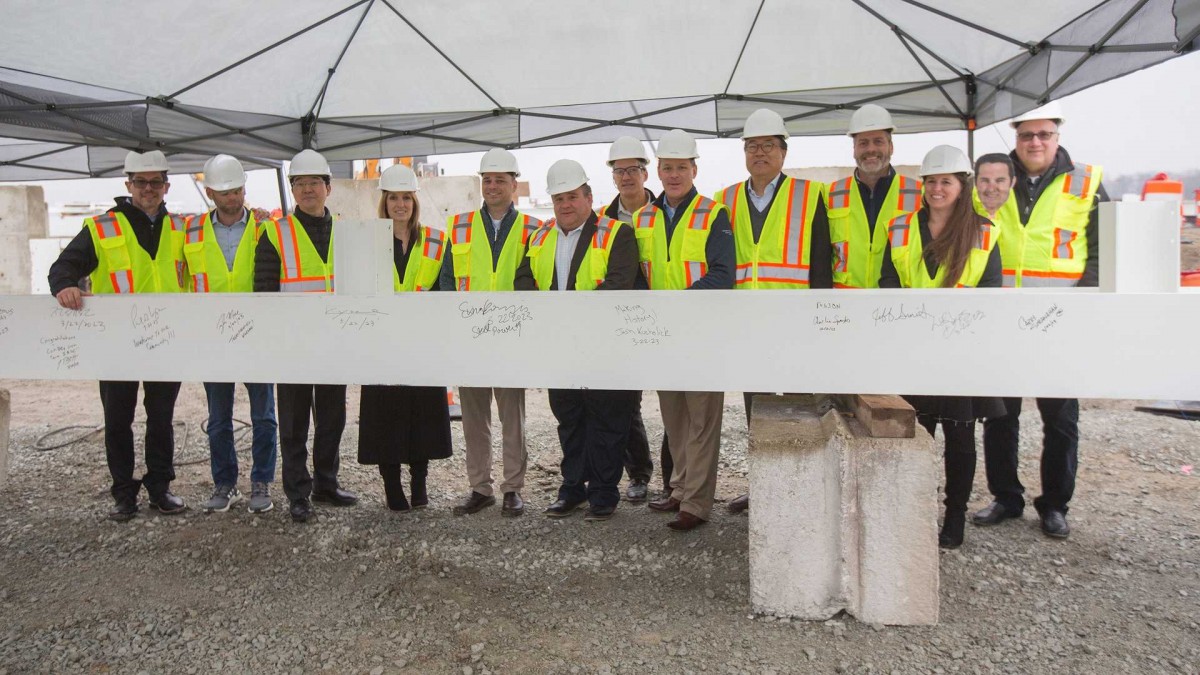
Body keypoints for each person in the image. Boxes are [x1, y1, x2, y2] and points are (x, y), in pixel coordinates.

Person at [974, 102, 1108, 539]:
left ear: (1057, 135)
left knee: (1062, 420)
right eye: (1027, 135)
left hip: (1058, 319)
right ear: (1016, 137)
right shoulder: (993, 177)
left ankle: (1055, 505)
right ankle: (1006, 497)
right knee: (999, 415)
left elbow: (1100, 248)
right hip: (1002, 317)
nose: (1035, 142)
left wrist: (1085, 304)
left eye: (1044, 134)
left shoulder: (1086, 182)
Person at [47, 150, 189, 521]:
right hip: (116, 343)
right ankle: (124, 493)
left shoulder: (180, 228)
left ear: (166, 186)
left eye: (155, 182)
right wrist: (65, 286)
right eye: (140, 182)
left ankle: (160, 487)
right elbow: (64, 266)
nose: (148, 189)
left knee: (161, 418)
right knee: (118, 419)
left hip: (165, 340)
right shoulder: (102, 227)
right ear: (128, 185)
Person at [878, 145, 1004, 549]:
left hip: (958, 352)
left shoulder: (983, 231)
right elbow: (886, 282)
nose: (936, 188)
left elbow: (990, 290)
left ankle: (955, 517)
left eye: (945, 181)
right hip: (912, 350)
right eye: (930, 181)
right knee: (916, 435)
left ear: (961, 185)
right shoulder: (900, 228)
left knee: (961, 439)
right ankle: (916, 511)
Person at [714, 108, 834, 515]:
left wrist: (818, 319)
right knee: (758, 407)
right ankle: (764, 487)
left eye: (767, 145)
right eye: (752, 146)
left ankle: (802, 491)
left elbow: (821, 262)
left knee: (800, 406)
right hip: (749, 324)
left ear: (784, 152)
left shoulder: (811, 194)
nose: (759, 152)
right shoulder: (724, 199)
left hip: (794, 321)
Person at [514, 160, 641, 520]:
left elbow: (619, 285)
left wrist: (566, 312)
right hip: (560, 348)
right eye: (559, 199)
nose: (566, 205)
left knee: (608, 421)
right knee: (569, 420)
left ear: (588, 197)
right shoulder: (539, 237)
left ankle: (603, 493)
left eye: (572, 197)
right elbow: (523, 282)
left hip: (605, 347)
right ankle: (572, 488)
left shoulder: (617, 233)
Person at [633, 129, 735, 531]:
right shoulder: (644, 217)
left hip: (701, 333)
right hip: (662, 334)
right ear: (658, 171)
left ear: (694, 170)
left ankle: (696, 501)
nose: (674, 175)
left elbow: (723, 274)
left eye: (681, 168)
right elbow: (641, 275)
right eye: (667, 168)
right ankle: (678, 487)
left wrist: (675, 303)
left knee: (702, 420)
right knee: (674, 416)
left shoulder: (713, 213)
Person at [254, 149, 357, 523]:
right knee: (295, 422)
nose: (308, 189)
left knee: (332, 418)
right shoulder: (274, 232)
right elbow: (263, 293)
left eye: (315, 182)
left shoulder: (348, 232)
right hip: (293, 345)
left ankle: (326, 484)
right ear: (292, 190)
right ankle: (298, 492)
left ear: (329, 188)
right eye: (300, 183)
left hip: (334, 343)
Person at [439, 149, 543, 517]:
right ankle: (479, 487)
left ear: (514, 184)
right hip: (471, 338)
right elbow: (448, 282)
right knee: (473, 418)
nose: (493, 185)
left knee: (512, 417)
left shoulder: (533, 229)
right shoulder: (460, 226)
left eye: (501, 179)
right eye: (487, 179)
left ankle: (513, 487)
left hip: (511, 337)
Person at [357, 164, 452, 512]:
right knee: (385, 416)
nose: (400, 205)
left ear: (415, 202)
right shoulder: (366, 241)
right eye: (393, 198)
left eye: (406, 198)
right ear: (384, 202)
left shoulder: (437, 240)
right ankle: (392, 487)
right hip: (380, 344)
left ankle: (419, 482)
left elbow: (445, 292)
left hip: (420, 343)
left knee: (421, 414)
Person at [187, 154, 279, 514]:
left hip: (257, 335)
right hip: (213, 338)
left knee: (264, 416)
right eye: (225, 192)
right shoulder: (190, 232)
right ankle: (224, 483)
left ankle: (261, 481)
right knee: (219, 418)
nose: (233, 198)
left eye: (238, 190)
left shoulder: (265, 226)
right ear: (210, 192)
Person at [598, 136, 659, 503]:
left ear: (644, 172)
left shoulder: (665, 211)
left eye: (633, 169)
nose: (626, 177)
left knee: (677, 401)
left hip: (664, 315)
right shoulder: (604, 219)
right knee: (626, 400)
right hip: (622, 320)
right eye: (619, 171)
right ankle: (639, 472)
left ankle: (680, 481)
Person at [827, 104, 924, 288]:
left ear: (891, 147)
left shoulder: (919, 194)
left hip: (896, 304)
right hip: (845, 304)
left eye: (878, 141)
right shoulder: (830, 194)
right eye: (863, 143)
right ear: (854, 149)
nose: (870, 149)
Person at [973, 153, 1015, 220]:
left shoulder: (1023, 214)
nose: (991, 189)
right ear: (975, 182)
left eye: (999, 181)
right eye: (985, 180)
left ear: (1012, 182)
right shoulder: (961, 211)